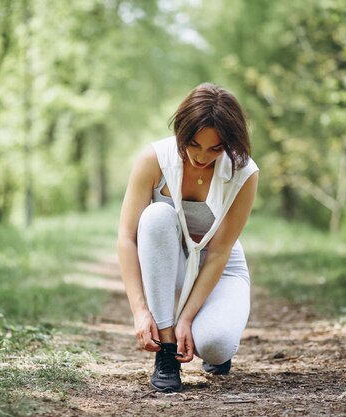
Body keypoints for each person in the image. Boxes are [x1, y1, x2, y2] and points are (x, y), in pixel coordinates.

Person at [117, 83, 259, 393]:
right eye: (193, 144)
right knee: (156, 217)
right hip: (169, 268)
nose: (201, 156)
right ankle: (167, 355)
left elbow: (220, 252)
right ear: (181, 130)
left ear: (230, 144)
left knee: (215, 344)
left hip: (218, 267)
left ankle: (205, 331)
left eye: (215, 149)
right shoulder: (153, 160)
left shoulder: (244, 172)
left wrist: (188, 319)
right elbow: (127, 238)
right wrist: (141, 312)